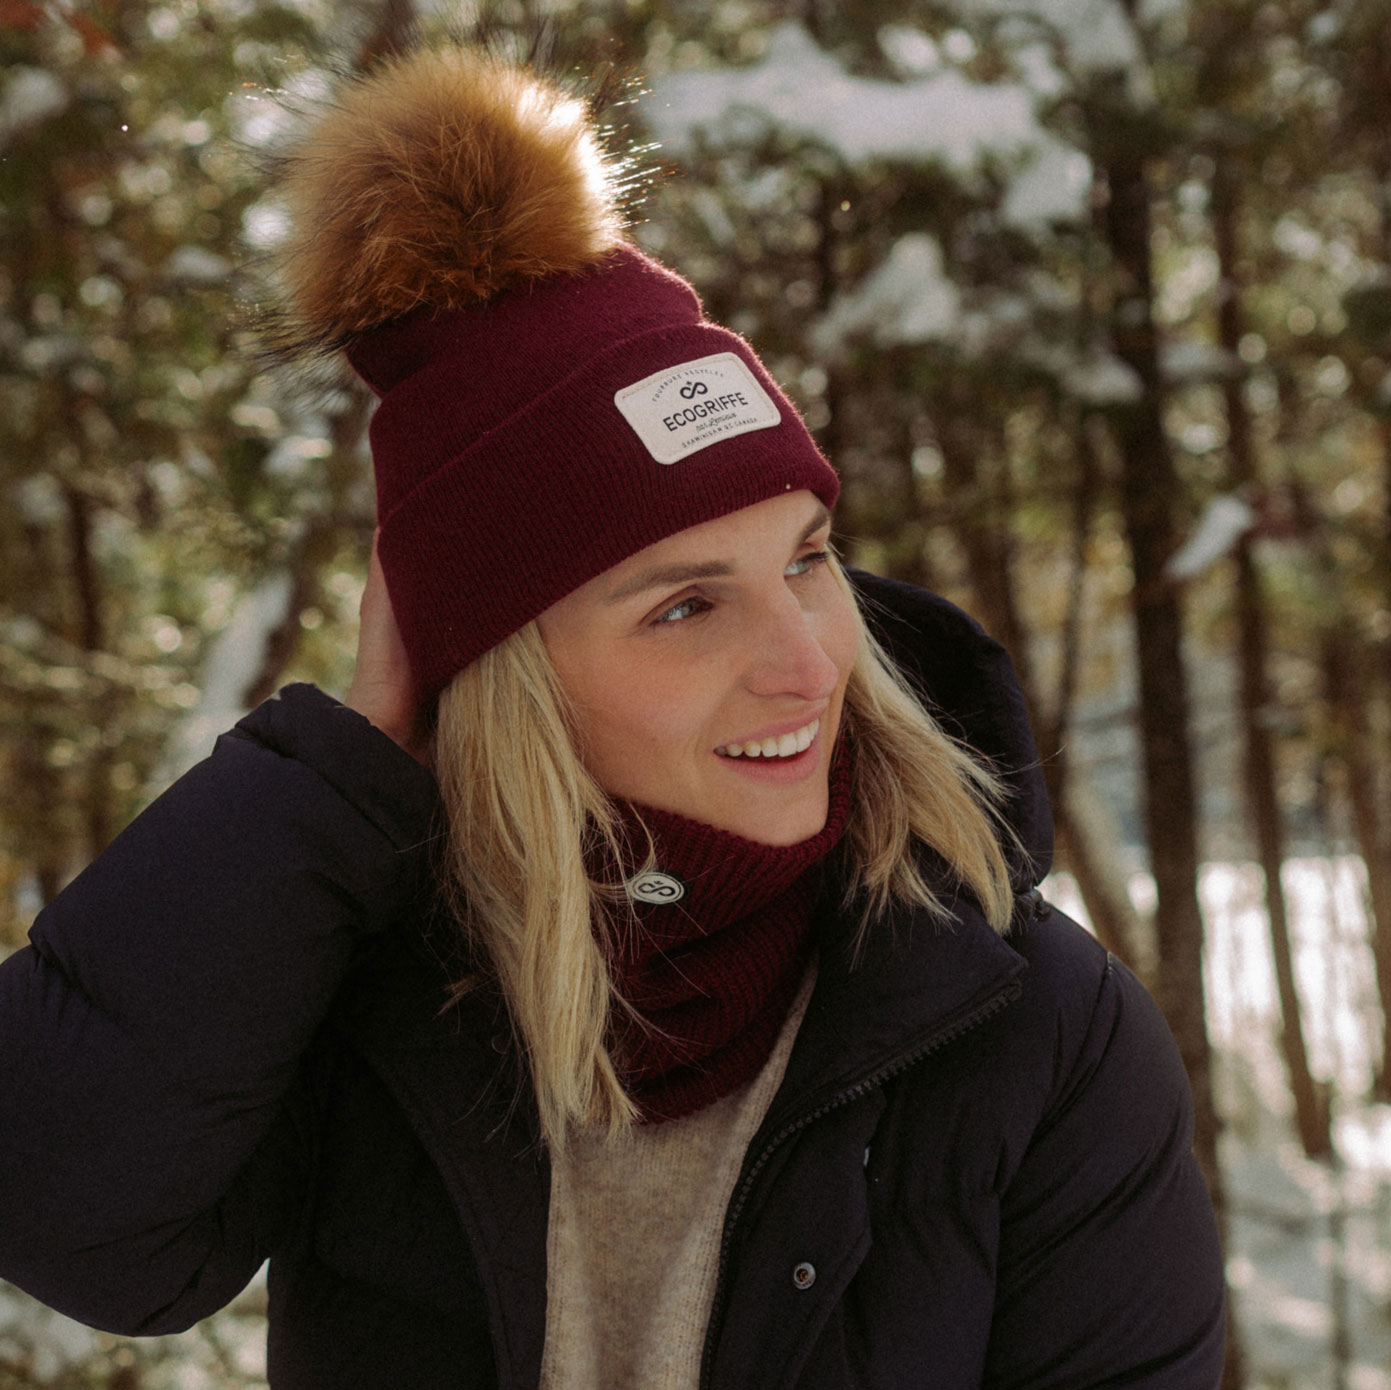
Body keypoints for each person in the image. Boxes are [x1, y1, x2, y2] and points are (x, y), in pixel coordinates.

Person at [0, 40, 1226, 1390]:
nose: (809, 666)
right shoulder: (359, 971)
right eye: (686, 606)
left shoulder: (1037, 1033)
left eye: (806, 559)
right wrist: (345, 767)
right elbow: (71, 1218)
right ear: (502, 674)